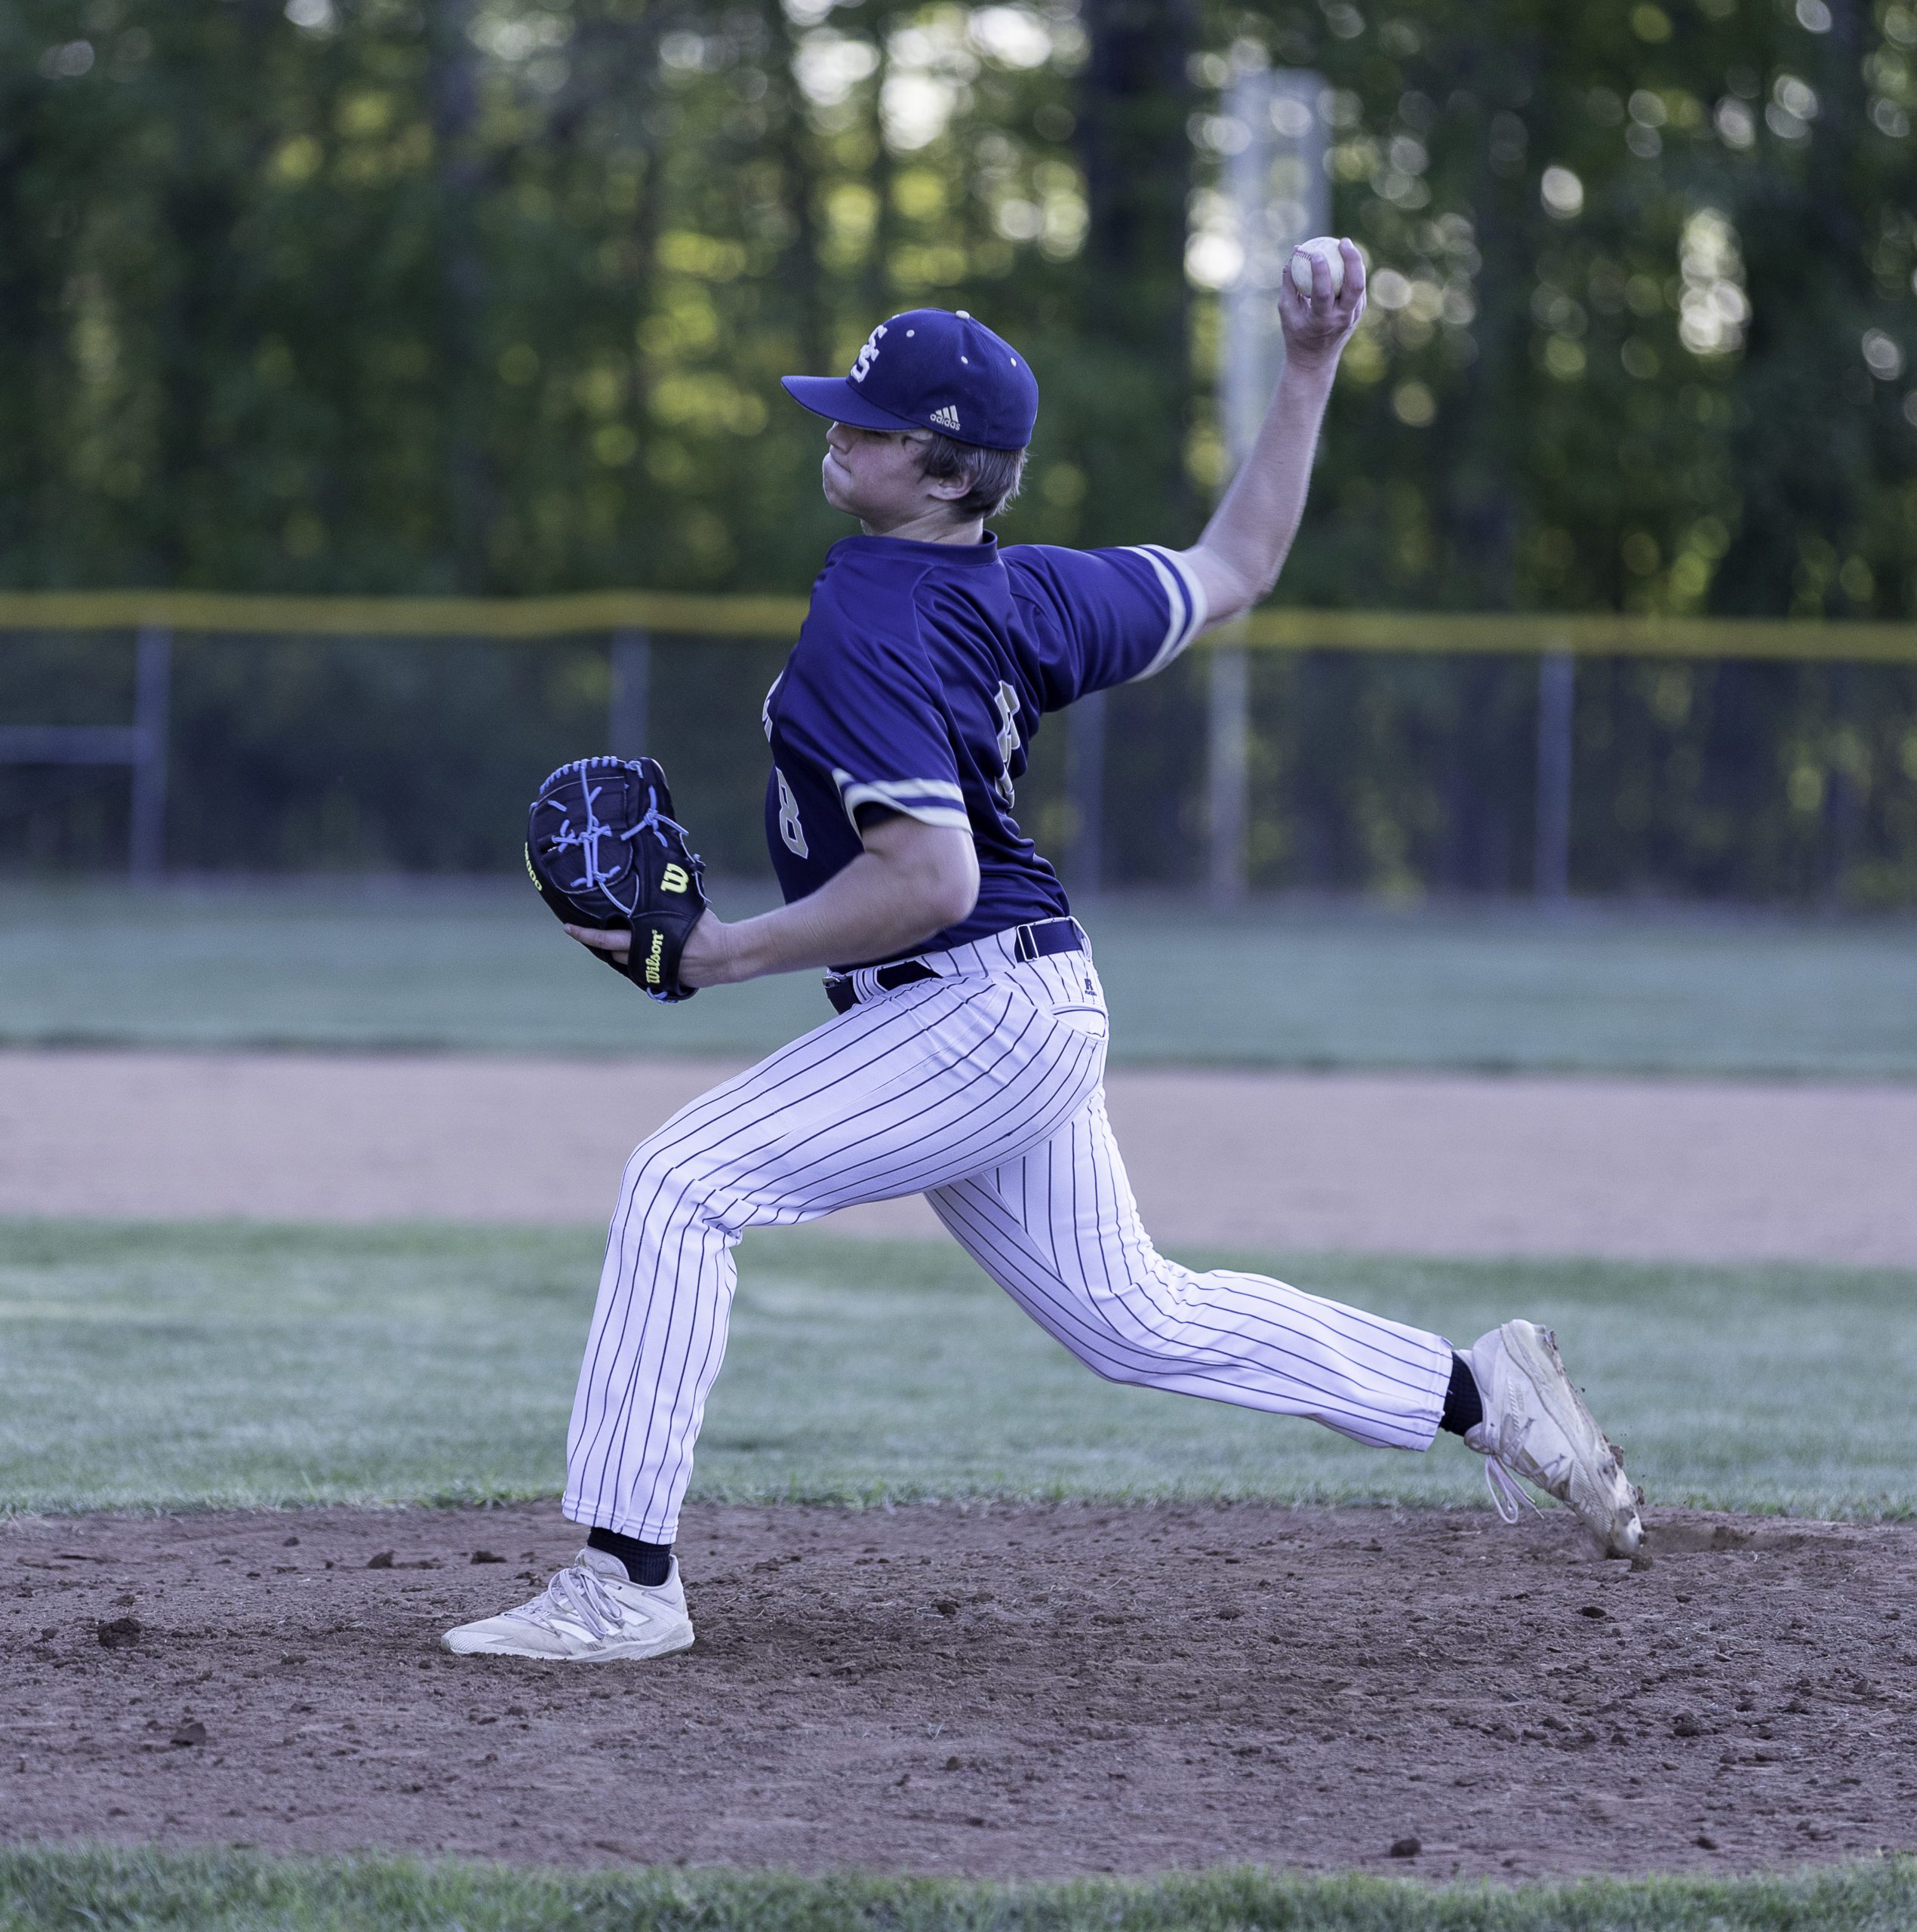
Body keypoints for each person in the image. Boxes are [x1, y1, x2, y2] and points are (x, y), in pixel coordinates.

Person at [445, 246, 1642, 1663]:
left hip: (970, 1009)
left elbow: (931, 876)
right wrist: (1310, 367)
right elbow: (1235, 566)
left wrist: (722, 955)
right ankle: (1478, 1391)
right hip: (1016, 1007)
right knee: (1132, 1317)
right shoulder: (1030, 594)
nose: (837, 428)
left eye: (871, 423)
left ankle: (625, 1583)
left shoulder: (873, 616)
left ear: (949, 471)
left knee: (680, 1184)